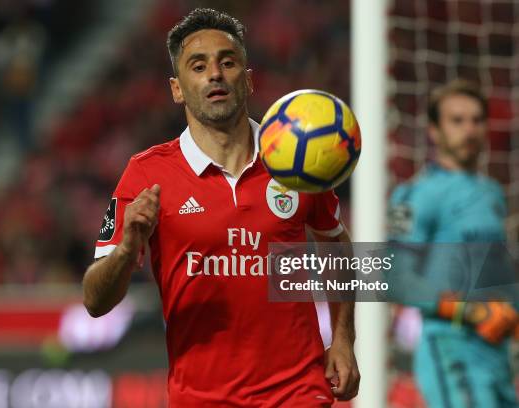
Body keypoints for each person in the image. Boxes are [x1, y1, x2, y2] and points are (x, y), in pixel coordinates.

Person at [83, 8, 359, 407]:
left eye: (227, 62)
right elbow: (95, 301)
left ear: (246, 80)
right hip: (200, 398)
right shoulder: (147, 174)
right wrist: (127, 250)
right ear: (177, 89)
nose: (215, 73)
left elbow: (335, 244)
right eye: (198, 66)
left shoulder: (297, 160)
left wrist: (344, 338)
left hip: (298, 391)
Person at [388, 79, 518, 408]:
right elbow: (398, 279)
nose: (469, 129)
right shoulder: (415, 194)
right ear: (434, 130)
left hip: (497, 352)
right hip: (450, 346)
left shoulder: (492, 193)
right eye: (457, 120)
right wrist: (474, 311)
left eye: (477, 120)